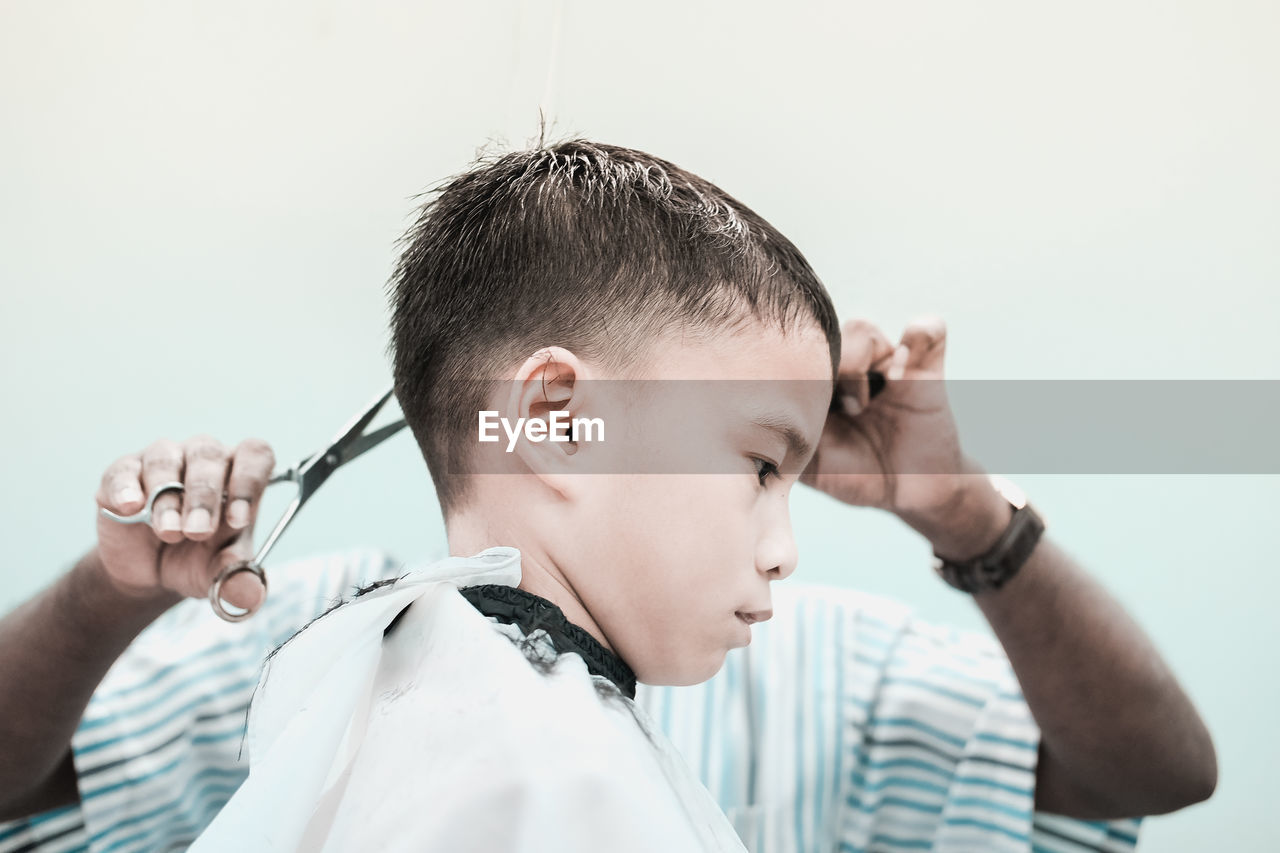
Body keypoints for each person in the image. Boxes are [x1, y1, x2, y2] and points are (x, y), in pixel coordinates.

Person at [0, 140, 1215, 851]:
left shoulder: (360, 674)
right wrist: (114, 589)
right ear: (554, 421)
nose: (785, 553)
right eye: (754, 467)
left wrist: (959, 504)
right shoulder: (513, 757)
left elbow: (1155, 773)